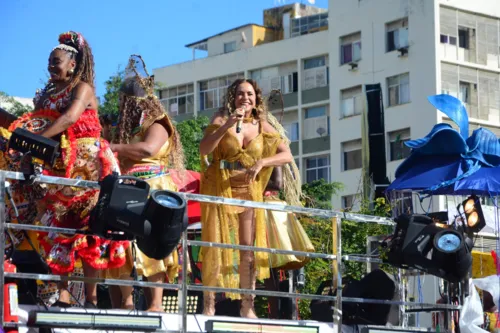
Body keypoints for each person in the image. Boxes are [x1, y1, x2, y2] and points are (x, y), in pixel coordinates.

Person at [7, 31, 125, 308]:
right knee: (61, 228)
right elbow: (32, 122)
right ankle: (62, 294)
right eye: (49, 61)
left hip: (90, 165)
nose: (51, 65)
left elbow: (69, 118)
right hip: (60, 166)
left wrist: (35, 141)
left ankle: (92, 299)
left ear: (72, 63)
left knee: (90, 230)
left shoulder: (82, 88)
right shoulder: (46, 95)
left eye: (56, 61)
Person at [199, 78, 294, 318]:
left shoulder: (262, 125)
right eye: (241, 94)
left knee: (247, 250)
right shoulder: (221, 119)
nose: (245, 98)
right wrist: (226, 126)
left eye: (250, 94)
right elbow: (204, 150)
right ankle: (209, 304)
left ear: (256, 99)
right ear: (233, 98)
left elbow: (286, 155)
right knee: (215, 246)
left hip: (248, 191)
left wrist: (263, 161)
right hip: (219, 188)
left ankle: (247, 305)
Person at [105, 55, 186, 312]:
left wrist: (113, 146)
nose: (124, 104)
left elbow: (147, 149)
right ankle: (125, 302)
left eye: (128, 99)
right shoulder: (126, 129)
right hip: (128, 189)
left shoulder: (157, 121)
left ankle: (155, 304)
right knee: (122, 245)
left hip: (154, 189)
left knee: (153, 246)